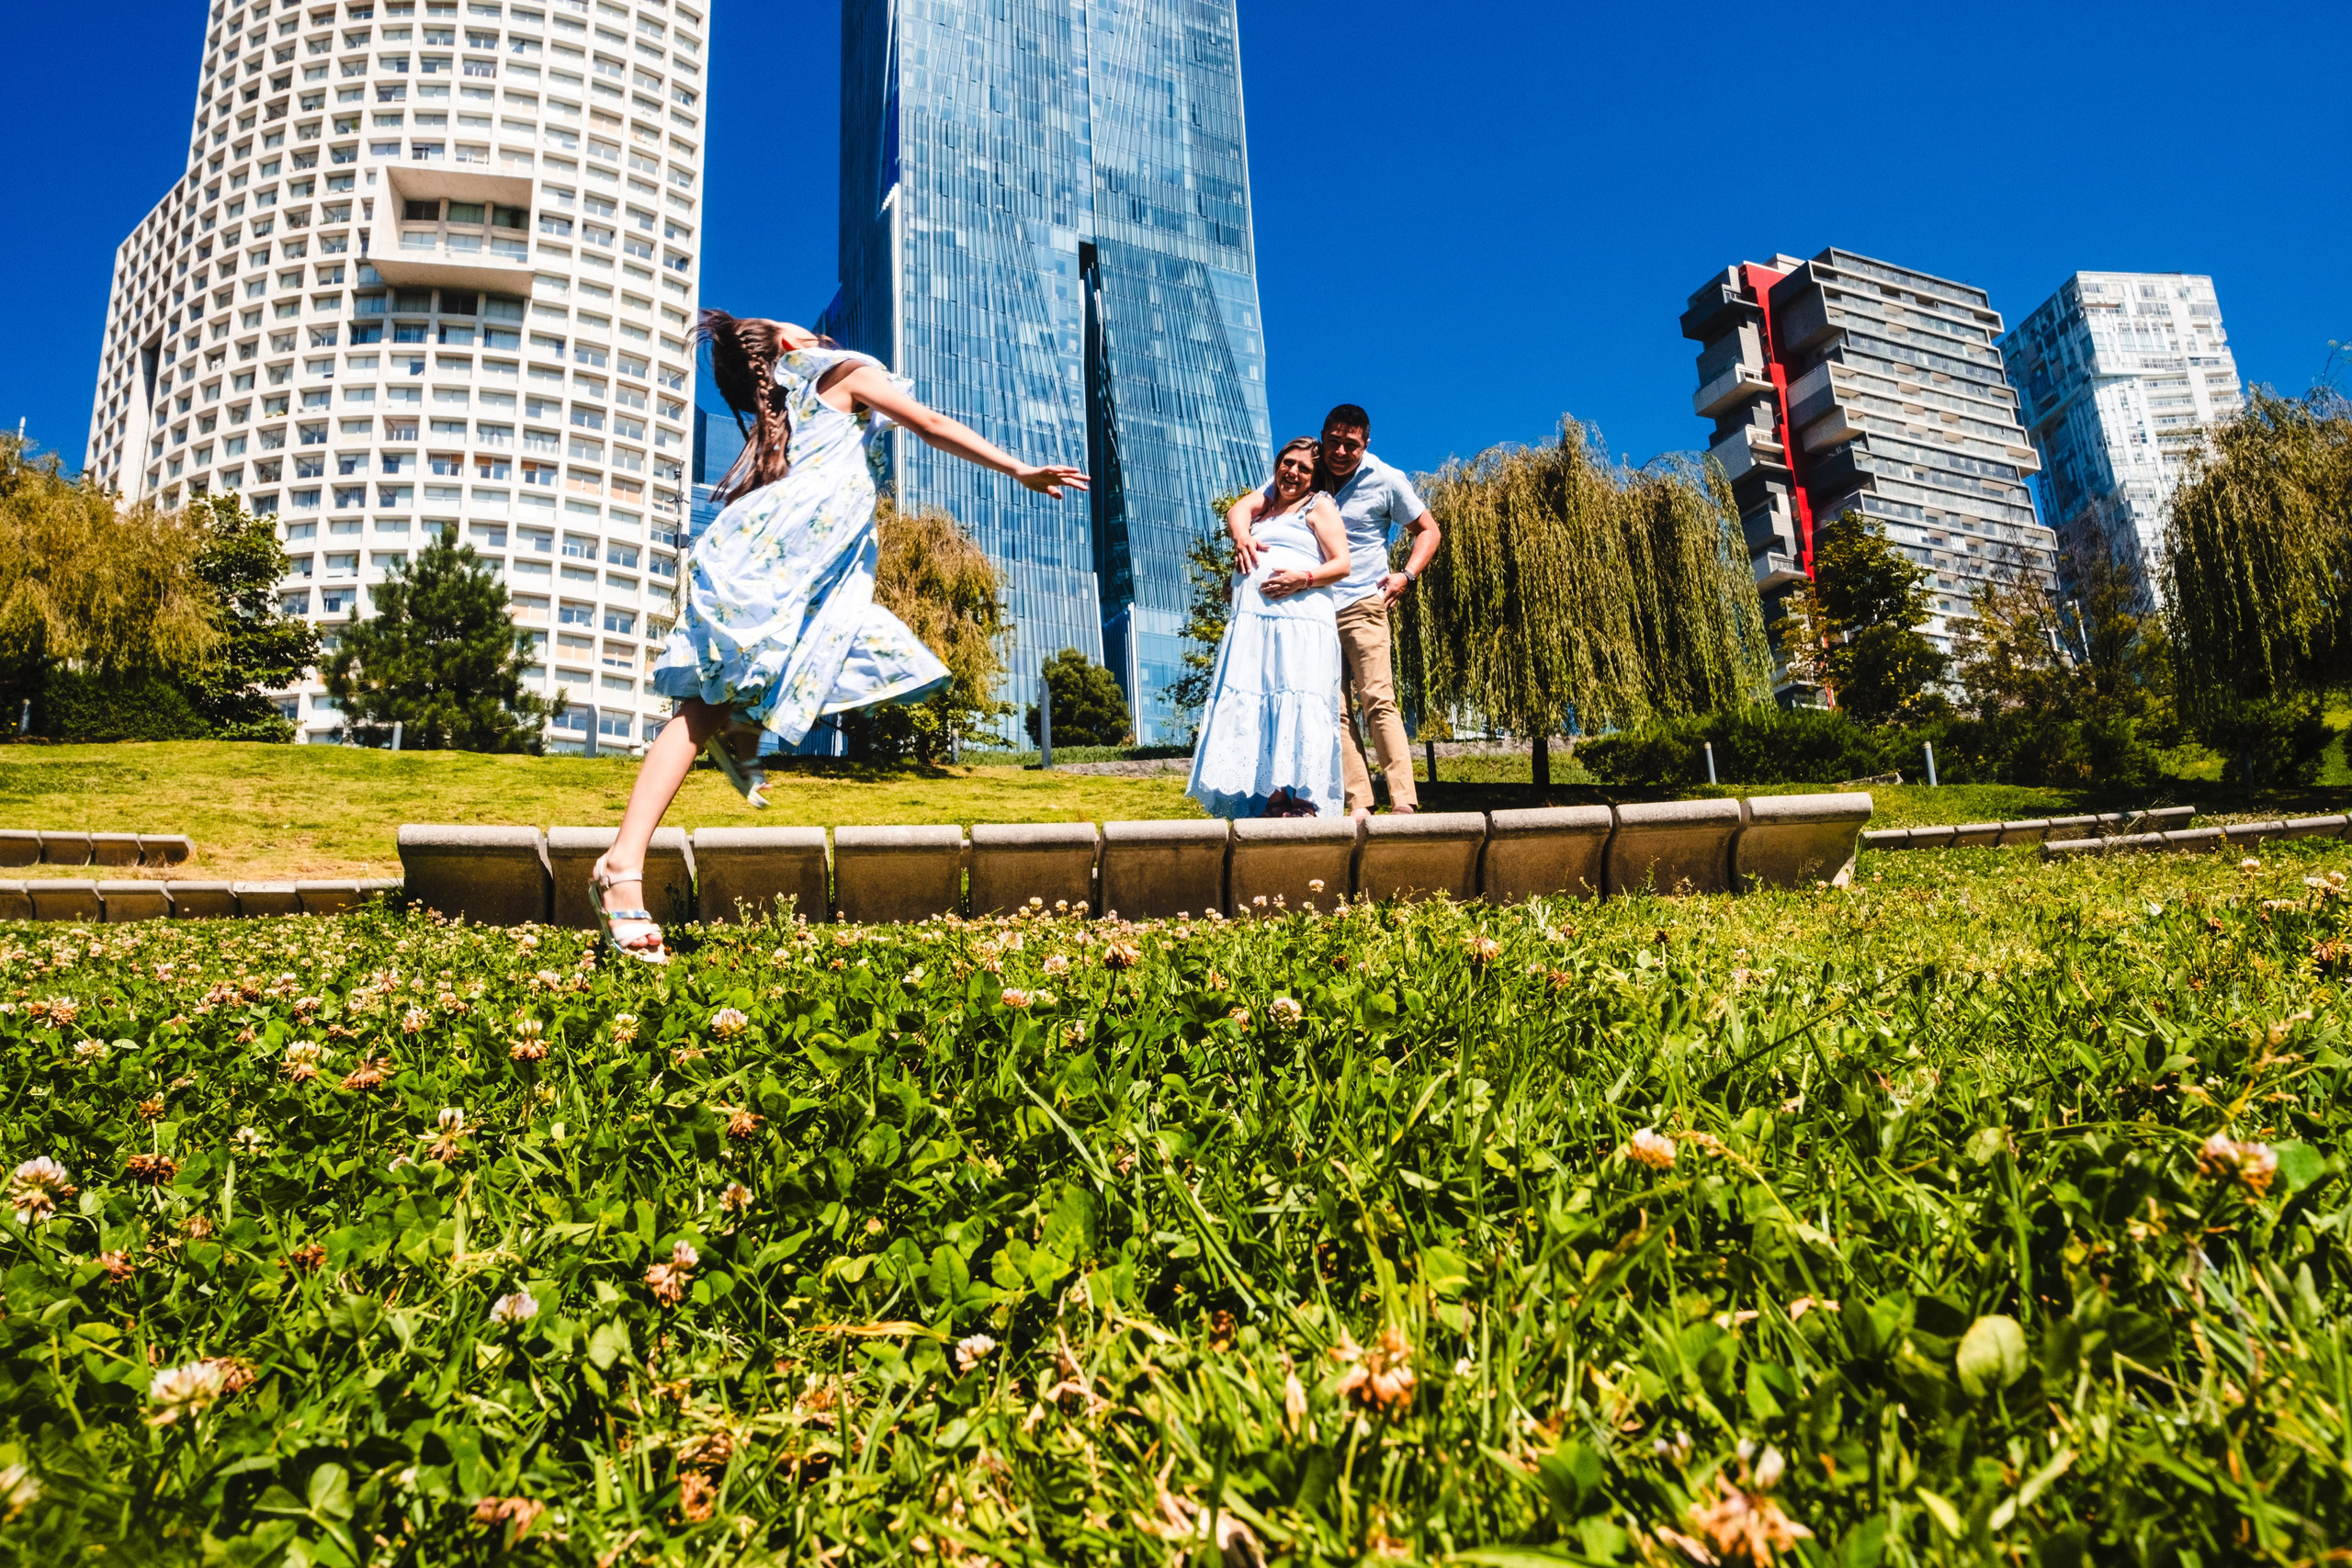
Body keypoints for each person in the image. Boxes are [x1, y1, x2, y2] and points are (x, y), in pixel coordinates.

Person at [591, 310, 1087, 963]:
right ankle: (633, 850)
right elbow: (930, 424)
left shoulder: (792, 403)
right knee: (737, 692)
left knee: (714, 702)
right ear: (789, 343)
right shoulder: (835, 370)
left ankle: (643, 837)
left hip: (790, 556)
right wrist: (1018, 469)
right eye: (785, 321)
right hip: (796, 556)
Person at [1227, 404, 1440, 819]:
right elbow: (1246, 509)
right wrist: (1241, 541)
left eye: (1352, 445)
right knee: (1333, 709)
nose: (1341, 451)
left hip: (1362, 601)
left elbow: (1428, 530)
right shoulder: (1305, 471)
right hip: (1312, 612)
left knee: (1378, 699)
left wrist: (1407, 575)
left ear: (1366, 444)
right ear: (1323, 437)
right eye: (1335, 442)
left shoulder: (1387, 480)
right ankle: (1359, 802)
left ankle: (1403, 802)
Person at [1187, 438, 1352, 819]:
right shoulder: (1264, 507)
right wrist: (1243, 538)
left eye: (1303, 468)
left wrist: (1304, 577)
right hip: (1255, 627)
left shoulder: (1319, 505)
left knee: (1299, 696)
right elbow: (1236, 510)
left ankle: (1303, 798)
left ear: (1315, 477)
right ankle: (1276, 796)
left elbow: (1342, 564)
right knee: (1265, 700)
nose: (1292, 472)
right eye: (1287, 463)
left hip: (1301, 623)